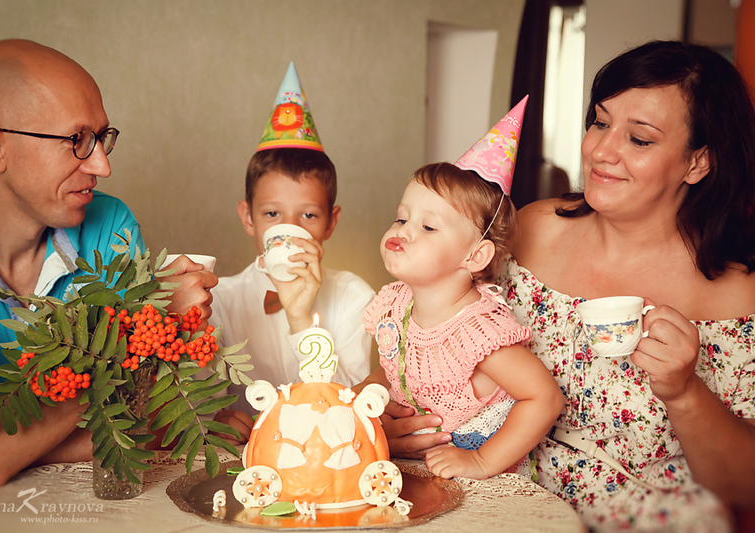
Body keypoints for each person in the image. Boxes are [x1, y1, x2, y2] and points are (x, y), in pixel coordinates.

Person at [386, 40, 755, 531]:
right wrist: (389, 416)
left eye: (639, 139)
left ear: (698, 162)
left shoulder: (737, 294)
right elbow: (426, 326)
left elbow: (743, 486)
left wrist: (685, 392)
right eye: (600, 122)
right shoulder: (532, 230)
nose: (601, 151)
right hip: (487, 492)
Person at [0, 39, 217, 489]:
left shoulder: (110, 224)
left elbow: (153, 421)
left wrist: (9, 452)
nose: (102, 165)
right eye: (76, 140)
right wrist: (142, 328)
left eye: (101, 137)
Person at [357, 100, 564, 480]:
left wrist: (481, 461)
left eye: (428, 227)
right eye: (401, 218)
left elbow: (544, 398)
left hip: (480, 473)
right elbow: (396, 367)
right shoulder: (396, 303)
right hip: (415, 464)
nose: (404, 231)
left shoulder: (479, 331)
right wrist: (360, 395)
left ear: (475, 256)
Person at [209, 63, 373, 443]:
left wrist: (300, 320)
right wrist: (215, 419)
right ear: (248, 218)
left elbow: (350, 413)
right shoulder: (218, 301)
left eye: (309, 215)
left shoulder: (355, 297)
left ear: (331, 223)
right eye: (272, 214)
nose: (290, 229)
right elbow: (196, 407)